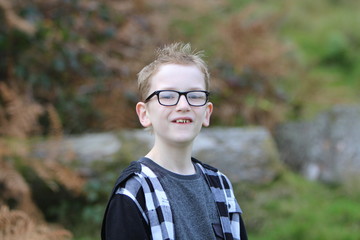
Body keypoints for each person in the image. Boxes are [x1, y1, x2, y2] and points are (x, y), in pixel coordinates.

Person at [101, 42, 248, 240]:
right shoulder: (134, 193)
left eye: (195, 95)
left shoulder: (220, 186)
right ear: (144, 114)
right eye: (168, 96)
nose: (183, 105)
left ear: (207, 112)